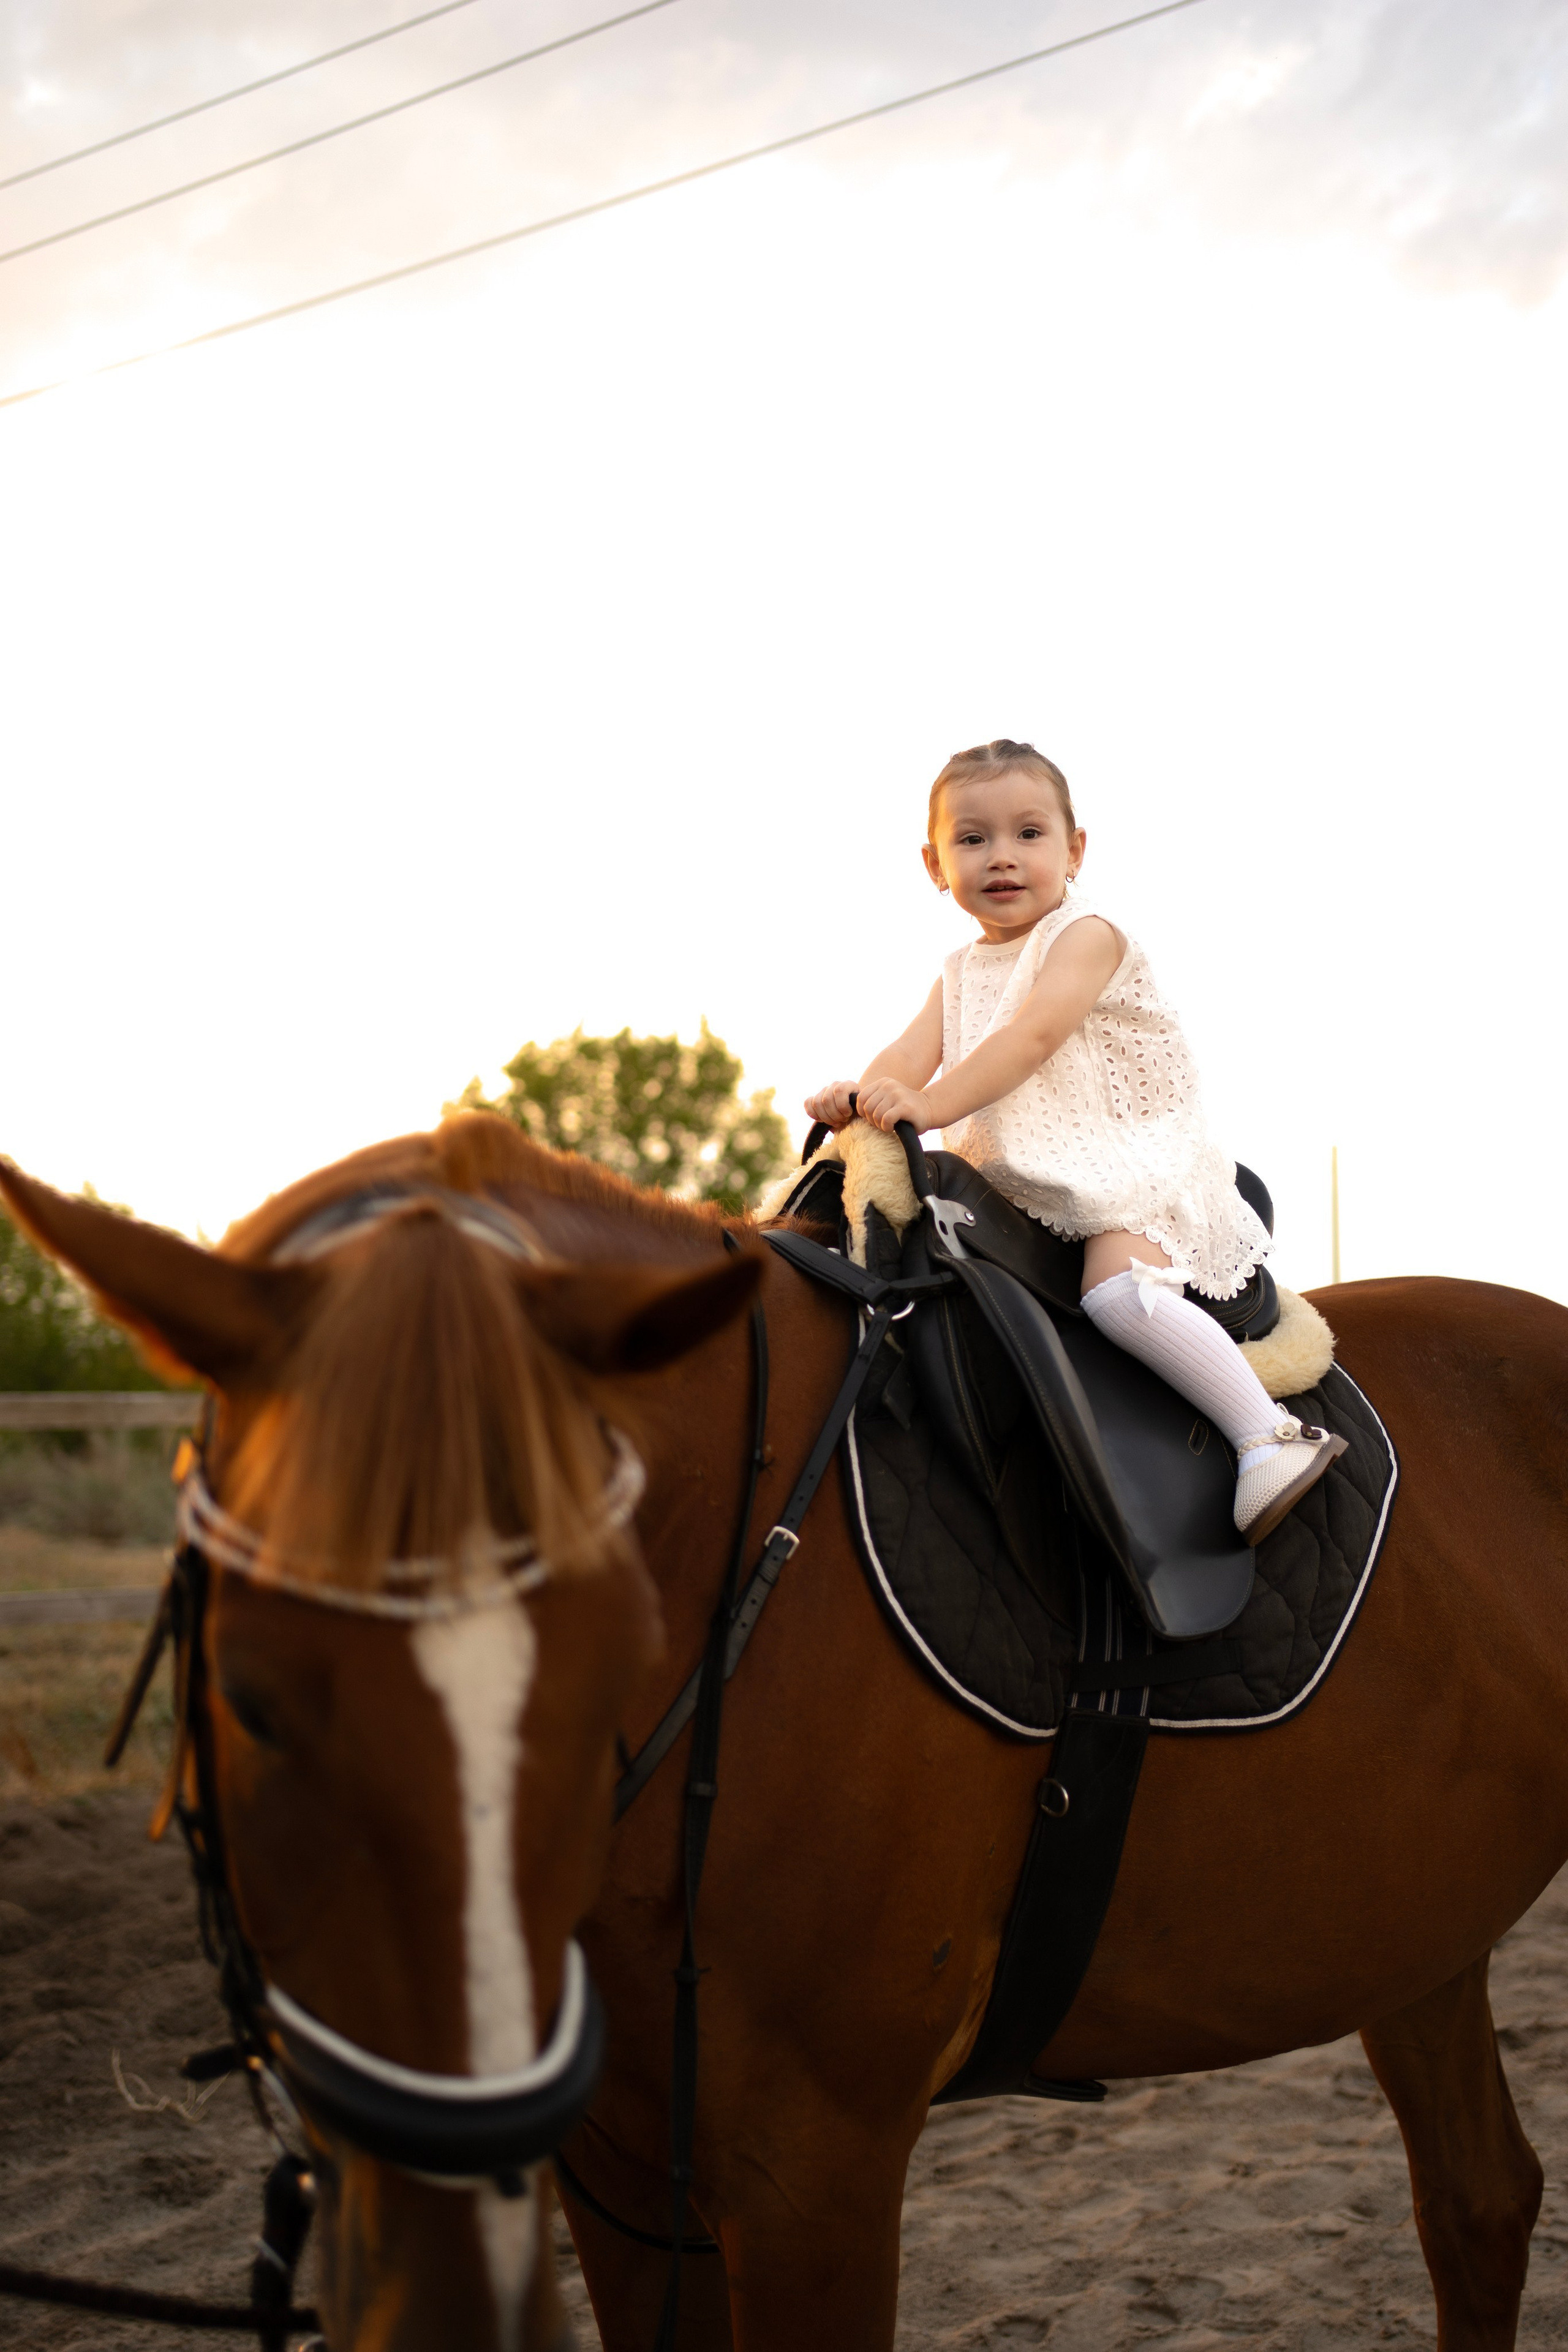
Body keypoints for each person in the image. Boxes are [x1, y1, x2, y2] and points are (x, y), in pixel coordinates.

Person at [805, 738, 1344, 1544]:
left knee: (1118, 1296)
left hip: (1131, 1167)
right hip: (1032, 1192)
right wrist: (860, 1095)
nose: (1003, 857)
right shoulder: (956, 973)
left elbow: (1031, 1038)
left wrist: (920, 1102)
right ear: (933, 862)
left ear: (1074, 849)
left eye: (1029, 833)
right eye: (973, 838)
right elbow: (905, 1061)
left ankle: (1267, 1435)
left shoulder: (1086, 937)